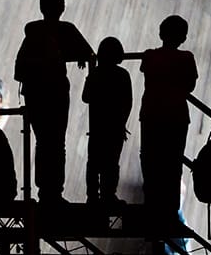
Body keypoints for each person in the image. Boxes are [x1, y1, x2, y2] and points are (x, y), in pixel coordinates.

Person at [13, 0, 95, 205]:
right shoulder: (67, 30)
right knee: (57, 143)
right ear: (62, 8)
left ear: (41, 8)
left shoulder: (32, 34)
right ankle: (54, 193)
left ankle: (44, 192)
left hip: (35, 94)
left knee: (43, 142)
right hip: (57, 93)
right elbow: (89, 53)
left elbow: (19, 71)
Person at [138, 14, 197, 224]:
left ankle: (151, 206)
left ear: (161, 33)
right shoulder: (187, 59)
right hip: (177, 116)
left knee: (150, 159)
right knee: (172, 163)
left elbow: (146, 71)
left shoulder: (150, 56)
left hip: (152, 114)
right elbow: (190, 86)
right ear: (183, 38)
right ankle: (170, 212)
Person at [81, 36, 132, 205]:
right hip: (115, 128)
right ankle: (108, 196)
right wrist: (122, 123)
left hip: (97, 127)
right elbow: (128, 102)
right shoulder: (123, 75)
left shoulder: (95, 74)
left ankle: (92, 197)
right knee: (111, 164)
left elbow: (85, 97)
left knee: (93, 163)